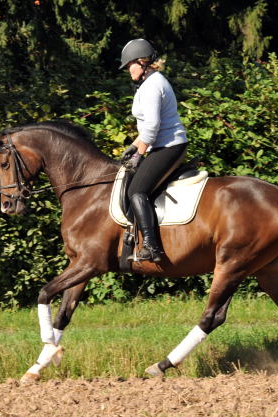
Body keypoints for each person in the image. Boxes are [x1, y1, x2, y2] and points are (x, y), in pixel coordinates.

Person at [118, 38, 188, 263]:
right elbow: (148, 127)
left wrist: (139, 153)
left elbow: (152, 126)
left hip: (169, 147)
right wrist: (134, 145)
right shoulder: (150, 83)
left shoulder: (152, 85)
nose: (128, 70)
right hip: (162, 145)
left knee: (136, 191)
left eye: (130, 65)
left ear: (142, 62)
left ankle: (151, 246)